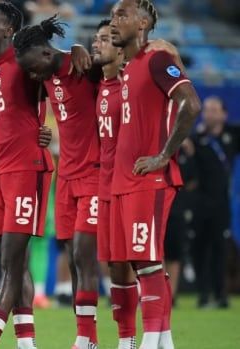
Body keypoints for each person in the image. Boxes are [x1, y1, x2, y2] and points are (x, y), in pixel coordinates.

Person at [109, 1, 201, 348]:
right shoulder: (130, 66)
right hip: (129, 180)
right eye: (114, 15)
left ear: (144, 22)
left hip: (150, 180)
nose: (114, 21)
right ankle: (164, 342)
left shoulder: (157, 59)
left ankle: (150, 342)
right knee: (142, 261)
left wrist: (164, 155)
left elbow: (190, 104)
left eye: (122, 15)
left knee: (147, 262)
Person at [12, 16, 101, 349]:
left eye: (33, 66)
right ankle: (86, 335)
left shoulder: (84, 66)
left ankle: (87, 338)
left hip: (94, 172)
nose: (31, 75)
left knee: (84, 253)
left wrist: (80, 47)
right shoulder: (45, 76)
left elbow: (115, 65)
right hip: (66, 175)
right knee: (73, 254)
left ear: (46, 53)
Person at [0, 2, 56, 349]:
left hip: (26, 168)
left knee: (9, 259)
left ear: (9, 30)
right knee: (14, 264)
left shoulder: (27, 62)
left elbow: (65, 81)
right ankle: (26, 344)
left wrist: (51, 131)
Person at [91, 19, 138, 349]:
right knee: (116, 266)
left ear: (122, 52)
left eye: (105, 39)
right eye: (96, 39)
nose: (97, 44)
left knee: (143, 262)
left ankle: (153, 335)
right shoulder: (98, 84)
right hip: (105, 185)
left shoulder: (132, 84)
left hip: (134, 184)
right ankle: (126, 339)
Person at [191, 96, 239, 309]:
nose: (208, 113)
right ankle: (203, 293)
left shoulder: (232, 135)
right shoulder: (195, 138)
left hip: (221, 204)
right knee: (199, 249)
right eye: (206, 110)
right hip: (200, 204)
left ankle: (221, 294)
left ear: (223, 114)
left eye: (213, 110)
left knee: (220, 249)